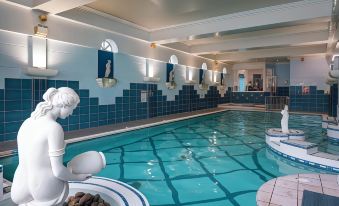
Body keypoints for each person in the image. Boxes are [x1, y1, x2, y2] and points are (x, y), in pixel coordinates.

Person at [11, 87, 91, 206]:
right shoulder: (54, 128)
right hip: (43, 187)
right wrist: (79, 177)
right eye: (72, 109)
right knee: (64, 184)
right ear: (64, 105)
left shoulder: (26, 122)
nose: (71, 113)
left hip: (19, 186)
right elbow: (58, 171)